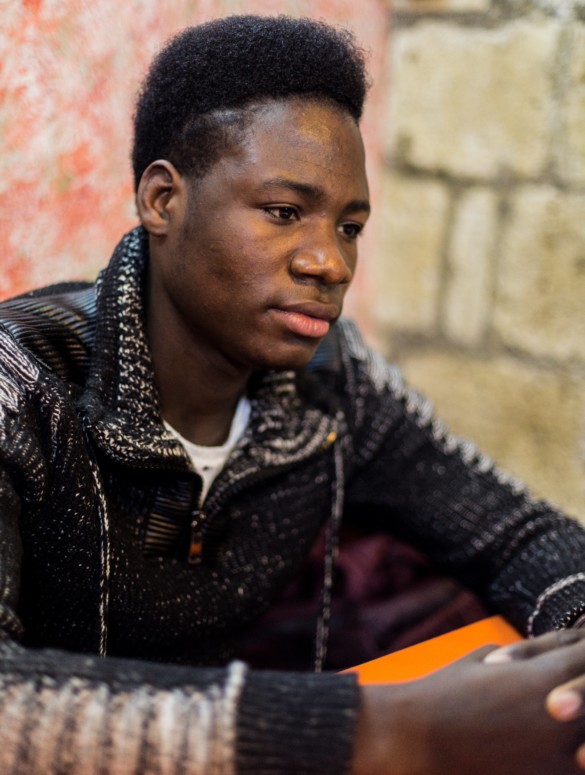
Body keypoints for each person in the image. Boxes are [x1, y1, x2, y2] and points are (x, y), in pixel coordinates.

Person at [2, 13, 585, 775]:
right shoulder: (21, 378)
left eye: (349, 227)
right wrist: (383, 728)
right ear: (162, 199)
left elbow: (508, 530)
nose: (328, 263)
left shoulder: (332, 381)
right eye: (283, 212)